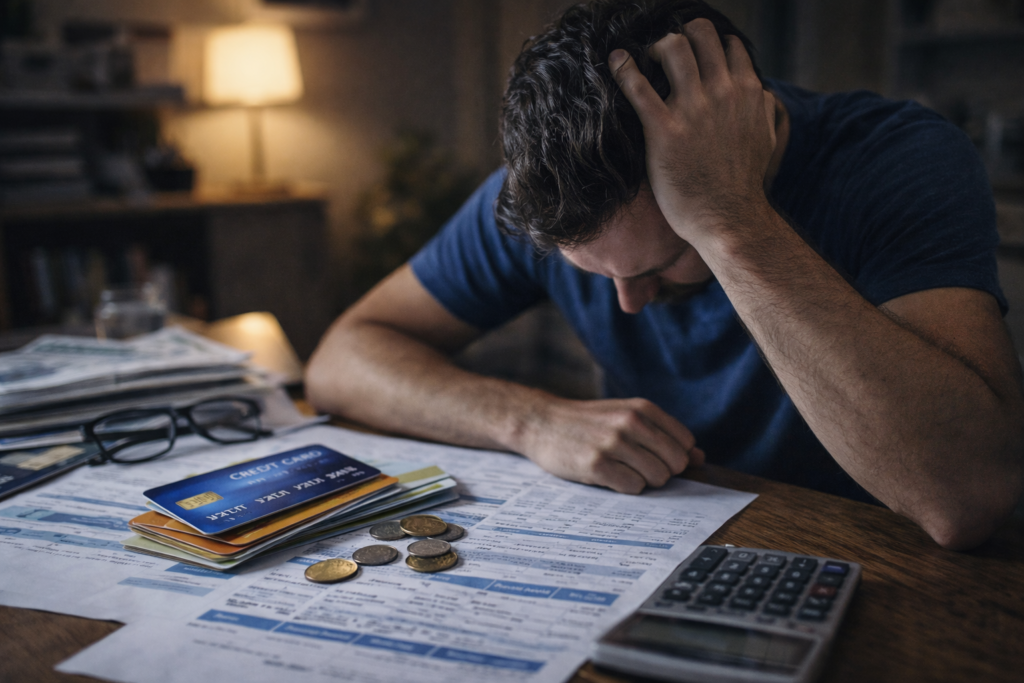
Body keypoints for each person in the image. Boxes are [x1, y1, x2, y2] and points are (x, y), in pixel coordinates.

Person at [306, 0, 1024, 550]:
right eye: (598, 275)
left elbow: (966, 495)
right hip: (662, 550)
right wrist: (530, 419)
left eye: (665, 261)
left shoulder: (899, 160)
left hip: (882, 569)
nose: (628, 304)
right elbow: (342, 358)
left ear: (754, 127)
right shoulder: (555, 194)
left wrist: (731, 222)